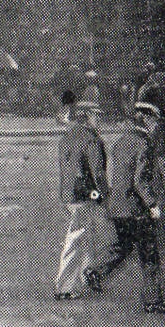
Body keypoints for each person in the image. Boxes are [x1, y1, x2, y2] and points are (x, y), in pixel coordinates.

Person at [89, 100, 165, 312]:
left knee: (123, 246)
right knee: (149, 253)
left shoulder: (121, 141)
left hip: (117, 207)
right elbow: (139, 180)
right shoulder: (144, 143)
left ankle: (96, 271)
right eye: (154, 121)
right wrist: (152, 204)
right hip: (135, 209)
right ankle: (153, 302)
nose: (156, 126)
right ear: (146, 120)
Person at [54, 86, 109, 300]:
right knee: (77, 237)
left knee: (86, 234)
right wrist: (104, 196)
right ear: (87, 117)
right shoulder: (91, 139)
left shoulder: (67, 137)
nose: (99, 121)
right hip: (85, 195)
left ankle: (88, 277)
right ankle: (64, 287)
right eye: (96, 116)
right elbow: (98, 173)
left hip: (68, 195)